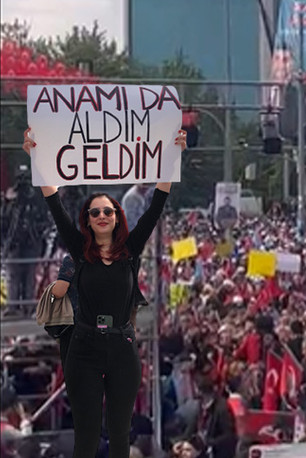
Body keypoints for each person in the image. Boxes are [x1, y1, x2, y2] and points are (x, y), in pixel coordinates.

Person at [22, 127, 186, 458]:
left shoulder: (131, 249)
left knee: (120, 427)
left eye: (108, 211)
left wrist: (171, 160)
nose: (101, 216)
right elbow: (54, 203)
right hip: (85, 344)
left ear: (117, 219)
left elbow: (155, 206)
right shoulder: (79, 250)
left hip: (121, 343)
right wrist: (37, 158)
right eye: (95, 212)